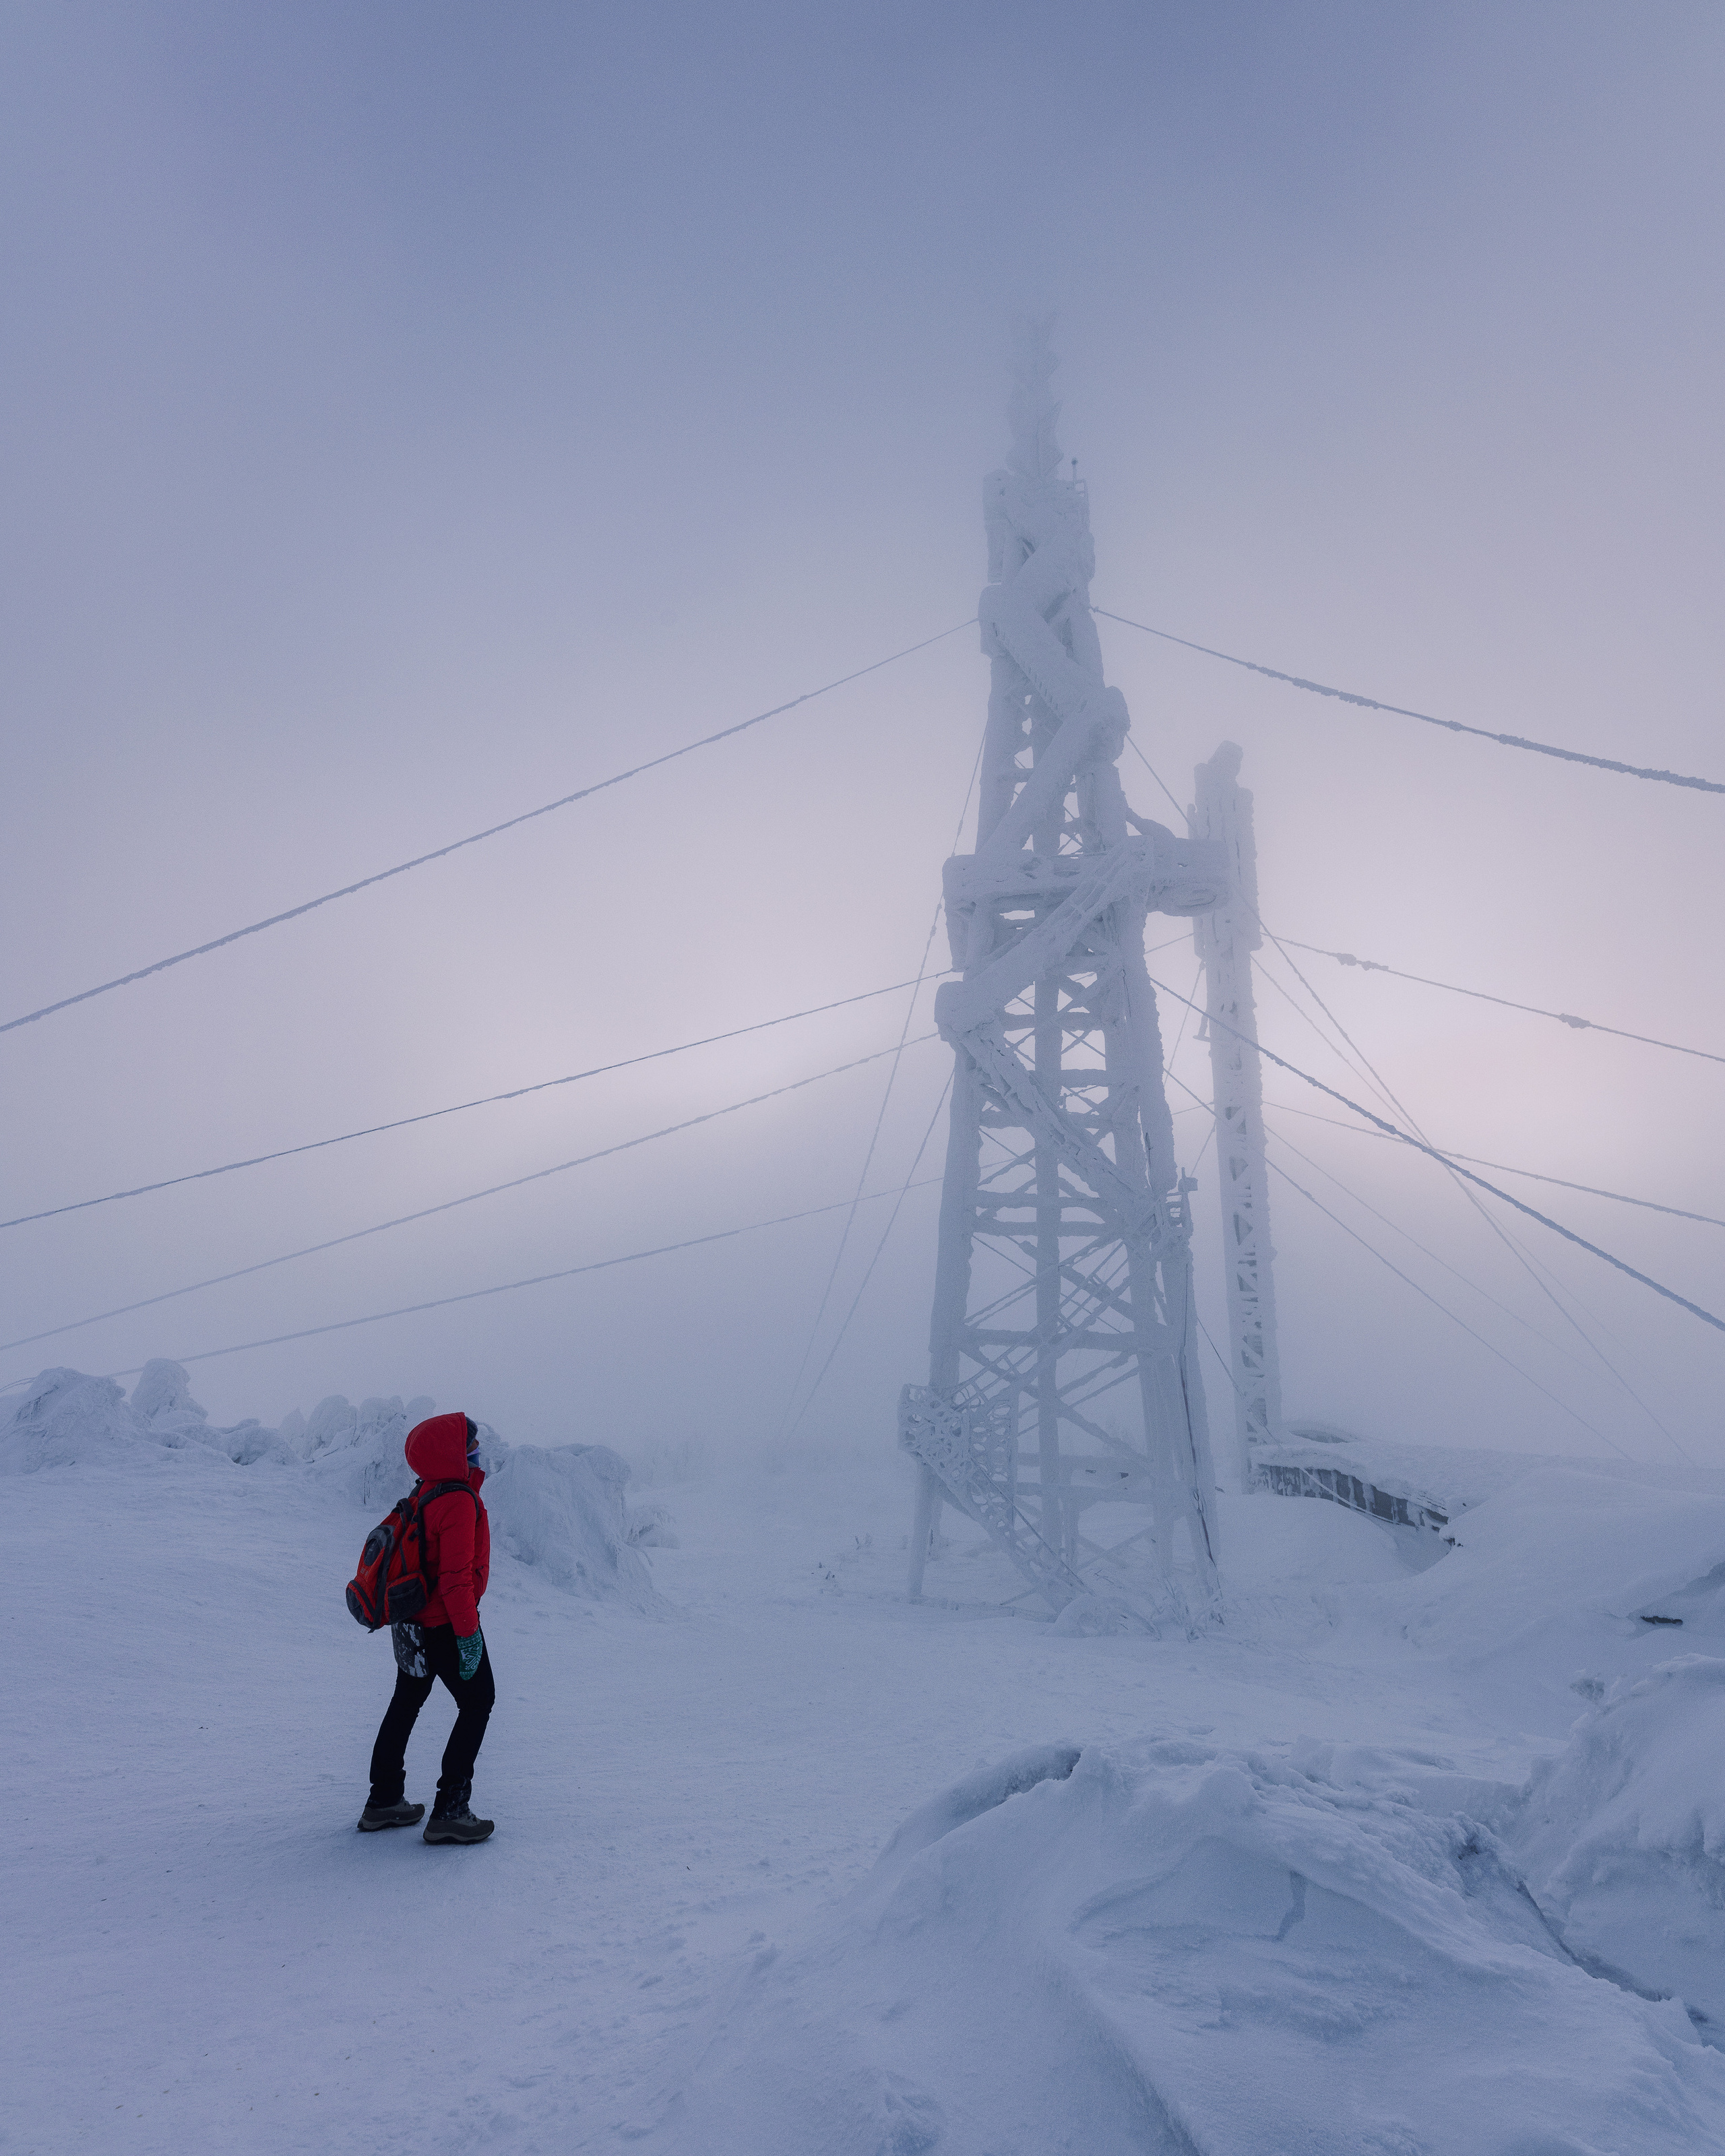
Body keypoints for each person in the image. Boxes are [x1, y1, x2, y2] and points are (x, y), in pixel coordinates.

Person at [358, 1410, 497, 1843]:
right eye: (470, 1447)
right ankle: (450, 1810)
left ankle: (384, 1800)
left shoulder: (424, 1494)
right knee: (478, 1701)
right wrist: (468, 1636)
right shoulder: (457, 1501)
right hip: (443, 1625)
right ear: (453, 1454)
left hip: (410, 1625)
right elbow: (455, 1581)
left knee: (406, 1701)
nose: (477, 1453)